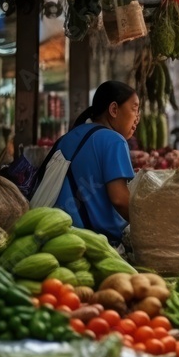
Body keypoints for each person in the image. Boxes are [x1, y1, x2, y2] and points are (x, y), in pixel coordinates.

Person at [38, 81, 138, 245]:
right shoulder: (114, 141)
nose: (137, 118)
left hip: (55, 235)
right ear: (113, 109)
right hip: (90, 244)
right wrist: (153, 229)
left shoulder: (69, 137)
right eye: (134, 109)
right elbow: (120, 199)